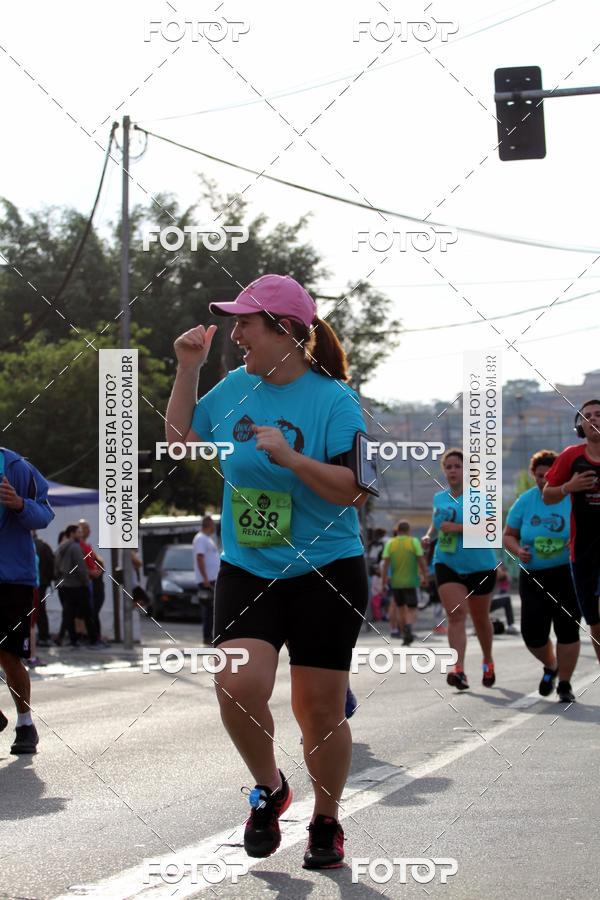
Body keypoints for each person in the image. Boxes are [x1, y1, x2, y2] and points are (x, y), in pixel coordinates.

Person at [165, 274, 371, 870]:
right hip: (248, 567)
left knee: (320, 712)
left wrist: (291, 457)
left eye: (246, 324)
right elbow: (179, 443)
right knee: (235, 686)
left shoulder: (335, 400)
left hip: (327, 569)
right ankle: (271, 789)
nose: (236, 335)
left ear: (284, 332)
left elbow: (354, 491)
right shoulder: (233, 386)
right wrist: (187, 369)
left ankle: (327, 822)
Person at [504, 449, 581, 702]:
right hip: (534, 575)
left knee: (568, 629)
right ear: (533, 475)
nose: (545, 480)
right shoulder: (526, 501)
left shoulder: (573, 498)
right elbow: (508, 535)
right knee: (533, 634)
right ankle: (551, 665)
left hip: (568, 574)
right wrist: (518, 550)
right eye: (539, 476)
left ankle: (565, 685)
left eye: (550, 474)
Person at [423, 448, 497, 690]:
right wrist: (428, 535)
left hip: (480, 565)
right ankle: (459, 670)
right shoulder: (438, 498)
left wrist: (455, 528)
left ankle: (487, 661)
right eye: (449, 467)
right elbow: (437, 524)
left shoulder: (480, 497)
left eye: (457, 466)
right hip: (447, 562)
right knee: (456, 616)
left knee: (480, 619)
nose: (453, 471)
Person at [0, 447, 54, 753]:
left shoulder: (16, 467)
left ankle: (25, 724)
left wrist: (19, 504)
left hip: (12, 578)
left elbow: (45, 514)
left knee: (8, 656)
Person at [543, 400, 600, 664]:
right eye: (587, 417)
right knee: (596, 624)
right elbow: (548, 496)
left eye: (598, 415)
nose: (593, 420)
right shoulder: (570, 457)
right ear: (580, 426)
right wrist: (570, 486)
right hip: (583, 552)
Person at [380, 521, 428, 645]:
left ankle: (404, 633)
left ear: (398, 530)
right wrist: (425, 577)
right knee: (411, 608)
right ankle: (408, 627)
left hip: (396, 583)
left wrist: (383, 581)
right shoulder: (413, 542)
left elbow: (385, 565)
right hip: (411, 582)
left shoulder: (390, 543)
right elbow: (421, 561)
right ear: (408, 530)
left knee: (400, 609)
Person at [54, 524, 98, 648]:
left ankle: (73, 640)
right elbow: (81, 566)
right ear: (72, 534)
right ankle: (93, 639)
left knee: (68, 613)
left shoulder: (61, 547)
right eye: (78, 532)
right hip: (77, 585)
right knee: (87, 613)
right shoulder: (75, 547)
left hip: (65, 584)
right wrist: (86, 581)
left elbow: (56, 565)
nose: (81, 534)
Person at [193, 515, 221, 644]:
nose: (214, 527)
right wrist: (205, 578)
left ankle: (211, 635)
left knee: (214, 609)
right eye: (213, 524)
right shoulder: (200, 539)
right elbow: (200, 558)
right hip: (207, 580)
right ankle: (207, 636)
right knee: (209, 609)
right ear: (208, 525)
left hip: (212, 578)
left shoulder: (208, 539)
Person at [79, 519, 106, 646]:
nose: (88, 531)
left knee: (93, 612)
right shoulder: (80, 546)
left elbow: (99, 565)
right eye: (85, 528)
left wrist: (96, 570)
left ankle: (95, 637)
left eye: (88, 528)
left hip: (95, 584)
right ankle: (91, 637)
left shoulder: (87, 547)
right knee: (89, 613)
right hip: (89, 584)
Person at [33, 532, 54, 646]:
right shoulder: (44, 545)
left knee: (35, 609)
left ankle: (42, 635)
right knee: (41, 609)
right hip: (42, 582)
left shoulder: (32, 545)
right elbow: (51, 564)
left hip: (33, 582)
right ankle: (43, 635)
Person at [490, 563, 519, 635]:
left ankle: (510, 625)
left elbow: (505, 576)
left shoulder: (501, 578)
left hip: (487, 603)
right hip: (480, 603)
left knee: (506, 599)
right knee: (507, 599)